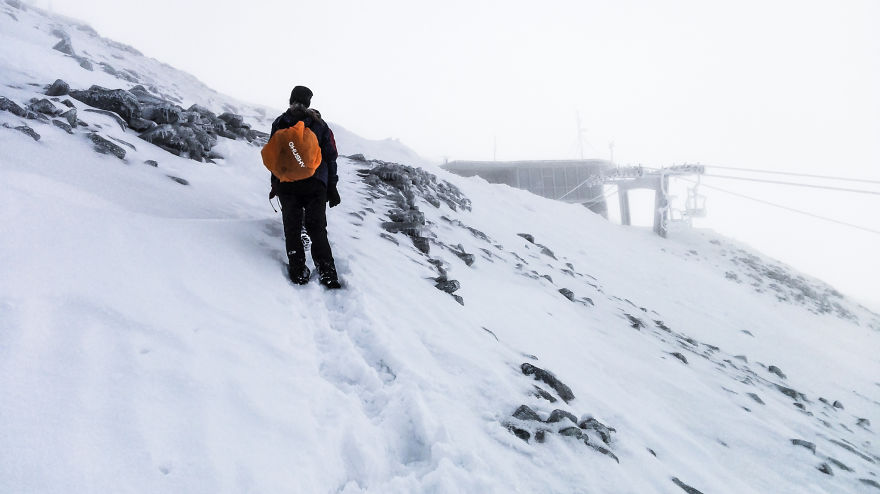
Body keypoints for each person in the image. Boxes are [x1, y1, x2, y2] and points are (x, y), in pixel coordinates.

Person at [268, 85, 341, 288]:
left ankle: (298, 270)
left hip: (287, 184)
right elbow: (330, 156)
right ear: (309, 102)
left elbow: (273, 156)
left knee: (292, 228)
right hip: (315, 183)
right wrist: (332, 186)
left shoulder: (280, 122)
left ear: (290, 100)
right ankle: (327, 272)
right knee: (317, 227)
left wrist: (275, 183)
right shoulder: (319, 124)